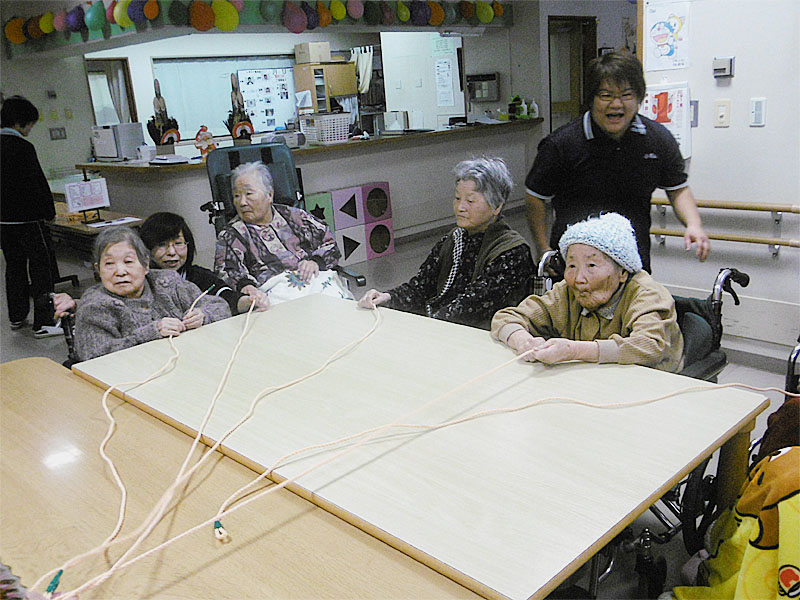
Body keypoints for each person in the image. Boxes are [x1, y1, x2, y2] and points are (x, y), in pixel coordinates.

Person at [524, 50, 710, 272]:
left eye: (626, 95)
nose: (616, 104)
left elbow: (677, 188)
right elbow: (535, 196)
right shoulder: (561, 143)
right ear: (591, 99)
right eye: (606, 95)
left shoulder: (658, 139)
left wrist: (694, 224)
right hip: (574, 266)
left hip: (632, 263)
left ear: (639, 98)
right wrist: (543, 249)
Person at [358, 156, 535, 330]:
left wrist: (422, 327)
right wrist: (388, 297)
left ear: (497, 206)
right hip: (442, 325)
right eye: (457, 198)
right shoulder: (453, 239)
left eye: (470, 200)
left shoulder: (512, 252)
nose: (460, 207)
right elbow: (421, 286)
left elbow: (469, 309)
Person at [492, 212, 683, 372]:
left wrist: (574, 350)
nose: (579, 278)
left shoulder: (646, 294)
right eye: (572, 265)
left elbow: (649, 346)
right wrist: (522, 340)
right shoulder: (567, 291)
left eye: (591, 265)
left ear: (623, 272)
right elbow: (506, 318)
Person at [74, 226, 230, 361]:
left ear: (146, 265)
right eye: (109, 264)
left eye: (128, 262)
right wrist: (149, 333)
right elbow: (94, 357)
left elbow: (220, 307)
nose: (120, 271)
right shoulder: (94, 307)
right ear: (98, 270)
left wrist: (203, 315)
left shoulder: (167, 283)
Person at [214, 161, 341, 290]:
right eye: (236, 196)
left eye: (249, 194)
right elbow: (228, 274)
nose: (242, 202)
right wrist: (247, 287)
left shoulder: (296, 217)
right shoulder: (230, 236)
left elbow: (330, 243)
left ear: (269, 195)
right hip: (273, 294)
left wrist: (316, 262)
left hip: (314, 282)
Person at [0, 95, 63, 338]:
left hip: (4, 222)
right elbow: (37, 184)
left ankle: (17, 316)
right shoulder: (23, 147)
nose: (29, 130)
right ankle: (44, 322)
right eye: (30, 125)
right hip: (28, 221)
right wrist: (49, 212)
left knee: (14, 266)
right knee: (41, 269)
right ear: (20, 123)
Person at [139, 212, 269, 315]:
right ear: (147, 248)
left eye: (178, 243)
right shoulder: (141, 282)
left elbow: (227, 297)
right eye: (161, 245)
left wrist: (250, 301)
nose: (172, 252)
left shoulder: (198, 276)